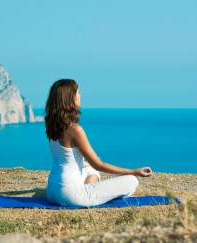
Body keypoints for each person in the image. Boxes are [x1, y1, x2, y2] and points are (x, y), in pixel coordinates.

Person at [45, 79, 152, 207]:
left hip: (52, 191)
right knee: (132, 181)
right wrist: (133, 172)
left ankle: (89, 190)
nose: (80, 95)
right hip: (69, 195)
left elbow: (66, 160)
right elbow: (98, 164)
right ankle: (89, 194)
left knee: (90, 169)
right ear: (70, 98)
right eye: (78, 93)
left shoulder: (52, 126)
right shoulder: (75, 130)